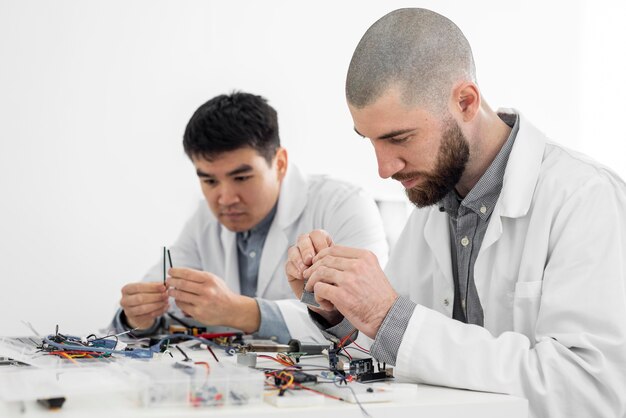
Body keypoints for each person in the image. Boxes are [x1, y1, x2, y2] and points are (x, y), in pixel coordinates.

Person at [285, 8, 626, 418]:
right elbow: (398, 355)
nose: (383, 167)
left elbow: (590, 390)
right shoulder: (431, 207)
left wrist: (389, 315)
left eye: (399, 137)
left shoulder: (585, 198)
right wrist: (339, 309)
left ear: (465, 102)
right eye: (370, 141)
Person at [112, 91, 388, 343]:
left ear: (279, 163)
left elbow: (363, 318)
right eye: (209, 181)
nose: (225, 198)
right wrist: (136, 318)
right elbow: (149, 305)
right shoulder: (204, 221)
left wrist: (239, 311)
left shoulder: (342, 205)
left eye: (241, 177)